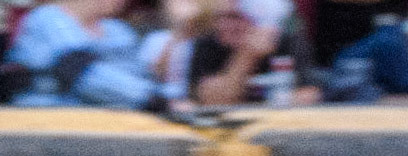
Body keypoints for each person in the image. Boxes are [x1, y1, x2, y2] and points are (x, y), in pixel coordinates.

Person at [5, 0, 167, 107]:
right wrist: (152, 99)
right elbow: (80, 73)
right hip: (47, 119)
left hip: (113, 120)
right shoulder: (48, 18)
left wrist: (170, 98)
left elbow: (143, 76)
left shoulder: (118, 30)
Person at [188, 0, 323, 104]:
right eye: (219, 18)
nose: (224, 26)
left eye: (235, 18)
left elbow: (310, 94)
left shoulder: (287, 41)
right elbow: (213, 101)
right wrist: (247, 56)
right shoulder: (208, 43)